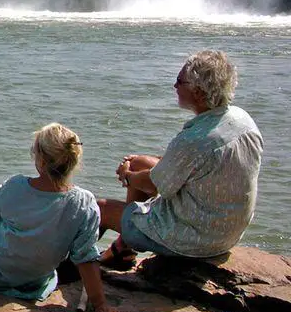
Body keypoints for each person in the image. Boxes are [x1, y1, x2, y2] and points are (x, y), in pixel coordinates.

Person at [97, 50, 263, 268]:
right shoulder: (241, 119)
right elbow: (192, 162)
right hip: (227, 232)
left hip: (193, 240)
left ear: (199, 92)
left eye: (179, 81)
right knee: (142, 163)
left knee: (98, 208)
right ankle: (123, 250)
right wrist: (137, 167)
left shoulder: (194, 140)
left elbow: (156, 185)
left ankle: (73, 266)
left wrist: (127, 175)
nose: (175, 86)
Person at [0, 123, 125, 312]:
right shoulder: (85, 203)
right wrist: (100, 303)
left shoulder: (16, 186)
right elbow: (85, 257)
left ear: (41, 160)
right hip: (31, 284)